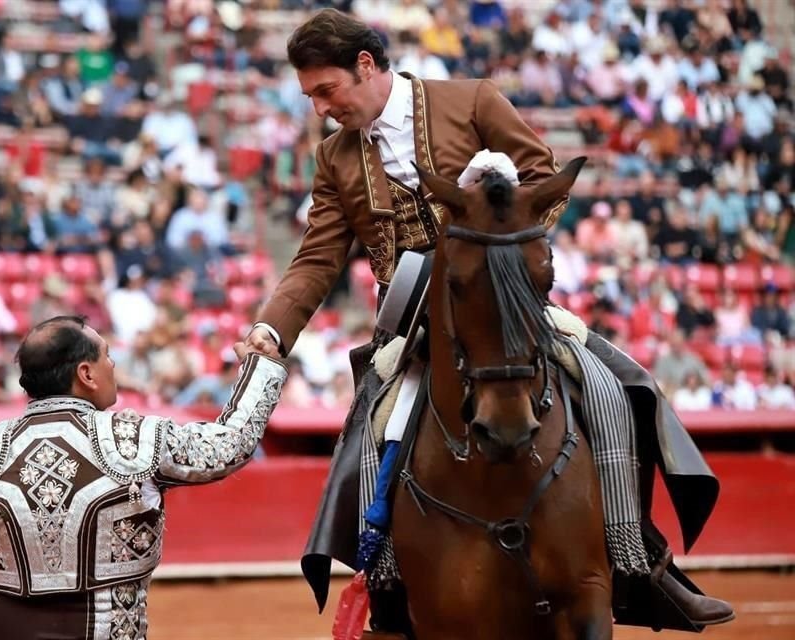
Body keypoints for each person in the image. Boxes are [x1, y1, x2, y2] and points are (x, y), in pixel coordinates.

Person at [232, 9, 732, 636]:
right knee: (369, 424)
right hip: (414, 322)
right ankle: (386, 582)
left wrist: (498, 229)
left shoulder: (470, 101)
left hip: (504, 300)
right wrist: (272, 329)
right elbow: (319, 255)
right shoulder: (335, 157)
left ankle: (638, 561)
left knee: (612, 385)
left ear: (365, 66)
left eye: (325, 91)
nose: (320, 109)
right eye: (310, 97)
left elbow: (543, 177)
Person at [0, 316, 286, 640]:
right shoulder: (134, 439)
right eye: (107, 355)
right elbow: (227, 448)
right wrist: (261, 367)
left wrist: (11, 567)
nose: (113, 365)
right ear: (86, 374)